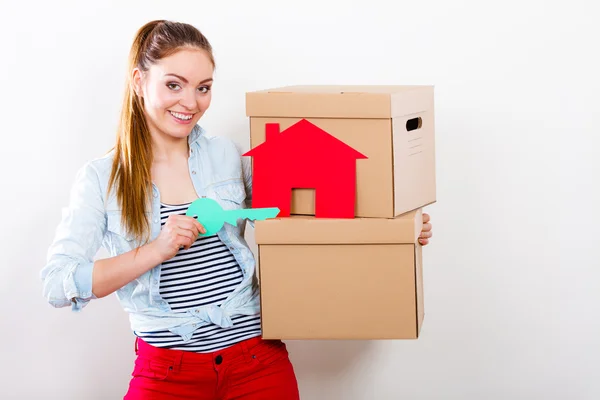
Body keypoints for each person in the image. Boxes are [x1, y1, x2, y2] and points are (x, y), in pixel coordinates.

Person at [40, 19, 433, 400]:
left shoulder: (226, 155)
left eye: (203, 88)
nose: (191, 103)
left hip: (257, 361)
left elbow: (308, 214)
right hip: (167, 371)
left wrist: (395, 230)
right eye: (174, 85)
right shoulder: (101, 179)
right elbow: (57, 283)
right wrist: (154, 250)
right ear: (139, 81)